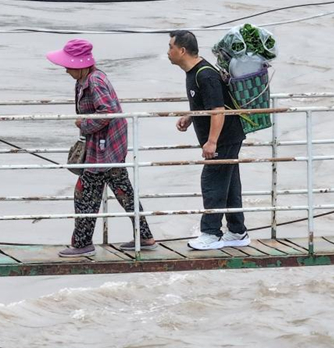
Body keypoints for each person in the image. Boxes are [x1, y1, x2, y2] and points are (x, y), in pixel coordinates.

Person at [47, 39, 155, 257]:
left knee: (85, 192)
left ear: (81, 64)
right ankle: (145, 237)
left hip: (106, 147)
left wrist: (84, 124)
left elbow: (107, 112)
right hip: (105, 145)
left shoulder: (94, 81)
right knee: (123, 191)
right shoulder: (86, 79)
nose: (66, 69)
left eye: (68, 65)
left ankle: (82, 244)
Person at [167, 30, 250, 250]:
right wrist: (191, 116)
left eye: (170, 47)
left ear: (182, 50)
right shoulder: (193, 72)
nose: (168, 52)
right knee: (229, 183)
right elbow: (206, 104)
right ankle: (237, 231)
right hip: (227, 136)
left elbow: (218, 110)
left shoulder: (205, 74)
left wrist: (212, 142)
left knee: (212, 182)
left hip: (224, 137)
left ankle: (211, 233)